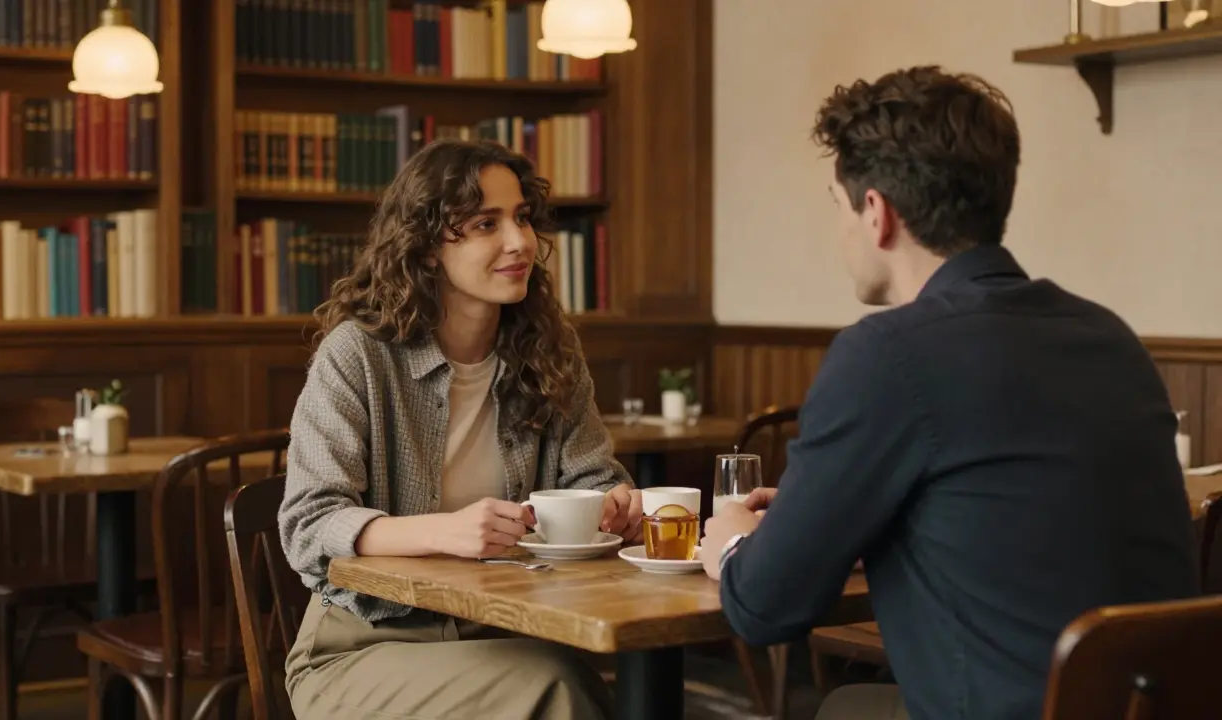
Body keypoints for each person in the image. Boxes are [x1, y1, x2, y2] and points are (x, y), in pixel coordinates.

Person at [700, 66, 1200, 720]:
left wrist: (735, 542)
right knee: (852, 706)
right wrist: (835, 515)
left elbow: (764, 607)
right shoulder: (1109, 337)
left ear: (876, 213)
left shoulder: (887, 355)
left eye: (837, 205)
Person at [278, 139, 642, 720]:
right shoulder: (359, 355)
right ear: (424, 248)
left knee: (571, 678)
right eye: (484, 223)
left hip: (509, 630)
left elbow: (594, 476)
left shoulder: (551, 349)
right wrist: (444, 532)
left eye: (521, 217)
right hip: (362, 647)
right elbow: (309, 523)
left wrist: (614, 506)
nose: (519, 241)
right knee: (558, 688)